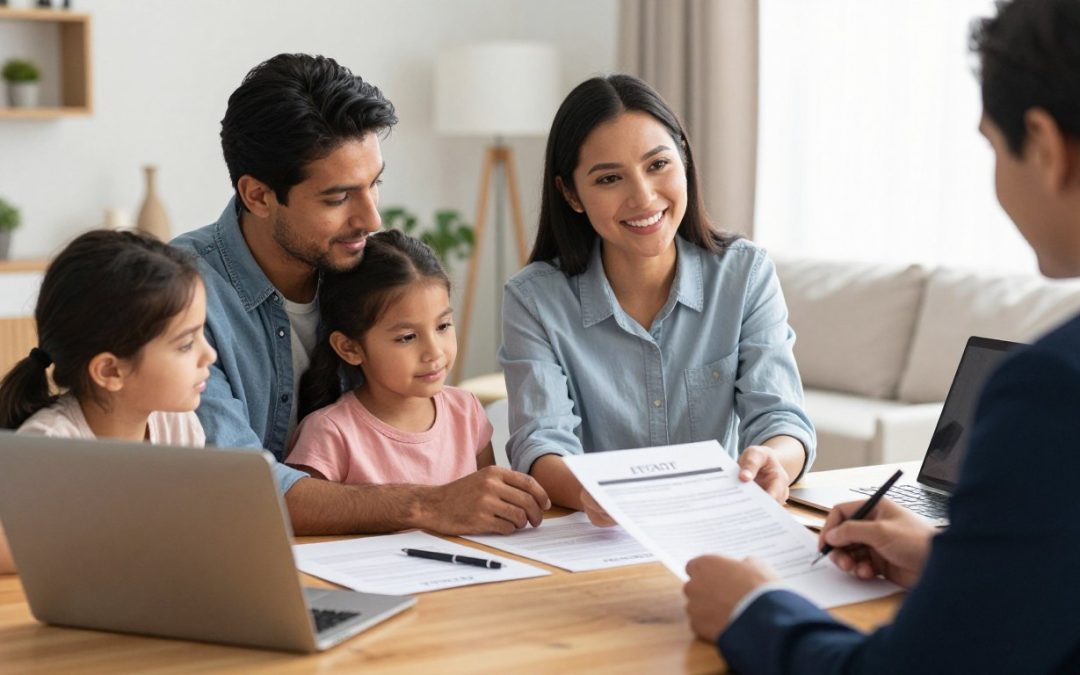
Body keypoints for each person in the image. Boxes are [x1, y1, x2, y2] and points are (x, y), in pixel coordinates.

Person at [683, 1, 1080, 672]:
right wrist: (952, 562)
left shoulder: (1052, 392)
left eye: (990, 146)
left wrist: (753, 607)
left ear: (1043, 144)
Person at [172, 53, 548, 536]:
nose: (371, 219)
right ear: (259, 196)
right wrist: (427, 503)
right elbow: (241, 487)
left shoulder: (366, 270)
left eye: (375, 185)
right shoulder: (179, 297)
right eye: (337, 198)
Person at [499, 74, 816, 522]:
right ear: (571, 194)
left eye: (657, 165)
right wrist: (598, 493)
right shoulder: (534, 300)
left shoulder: (745, 274)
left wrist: (773, 463)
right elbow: (541, 443)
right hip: (600, 540)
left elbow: (782, 420)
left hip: (717, 526)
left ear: (683, 159)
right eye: (609, 178)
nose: (643, 197)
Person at [0, 229, 217, 574]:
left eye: (202, 333)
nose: (210, 354)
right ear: (110, 371)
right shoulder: (49, 446)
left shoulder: (177, 425)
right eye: (186, 344)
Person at [286, 230, 500, 490]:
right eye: (407, 337)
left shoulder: (466, 412)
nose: (434, 352)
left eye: (443, 326)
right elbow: (305, 520)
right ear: (350, 348)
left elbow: (489, 504)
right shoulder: (330, 433)